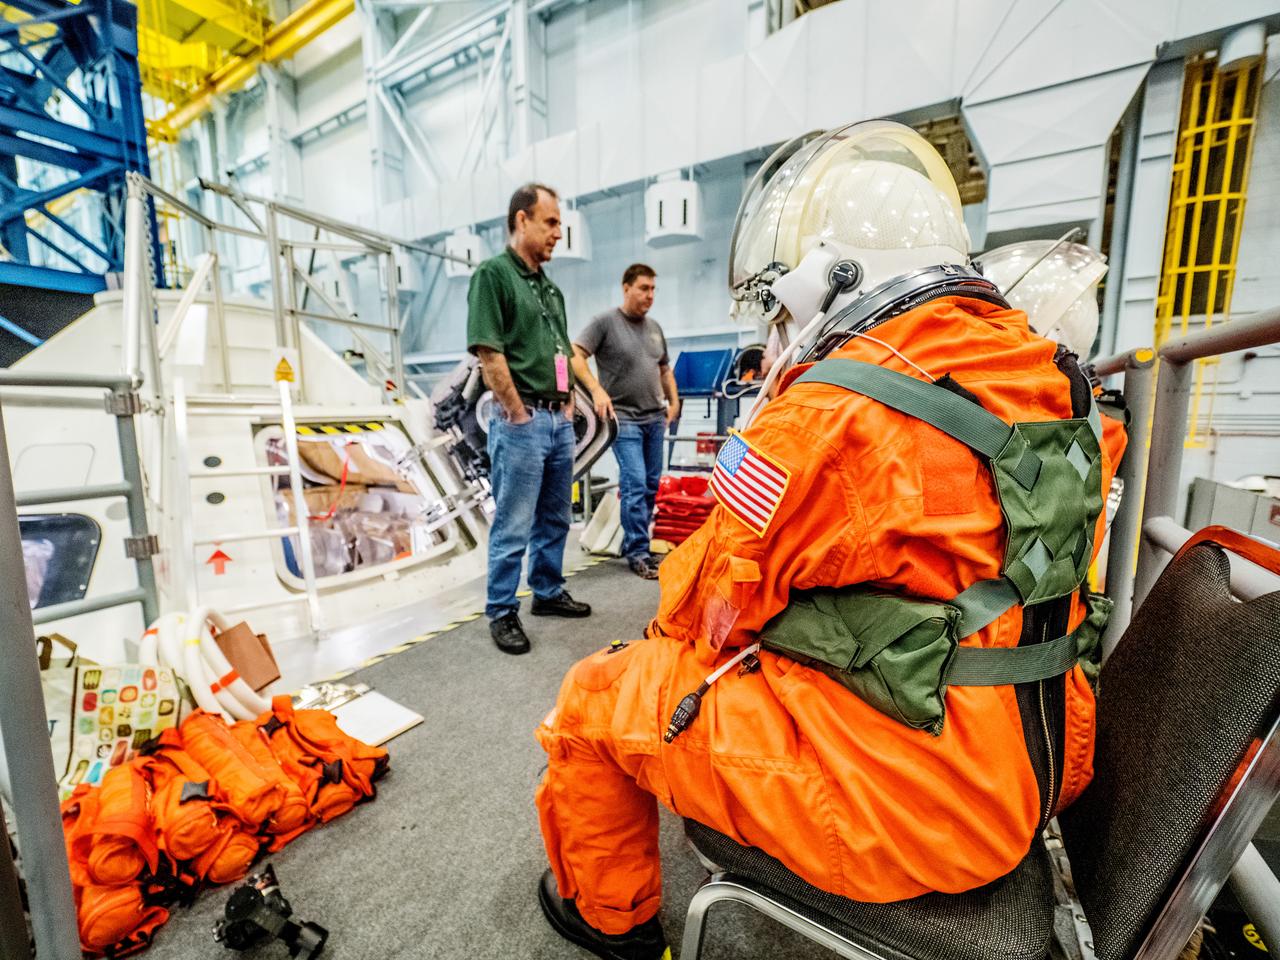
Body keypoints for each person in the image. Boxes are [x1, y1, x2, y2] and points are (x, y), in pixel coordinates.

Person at [532, 121, 1129, 960]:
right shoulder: (1059, 383)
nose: (781, 327)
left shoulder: (824, 413)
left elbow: (704, 607)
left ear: (829, 277)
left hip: (910, 812)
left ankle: (612, 921)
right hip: (1042, 766)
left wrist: (665, 658)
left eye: (782, 303)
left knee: (595, 699)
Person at [467, 182, 591, 656]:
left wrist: (568, 400)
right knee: (514, 523)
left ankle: (546, 590)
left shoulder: (550, 289)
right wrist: (518, 413)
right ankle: (501, 610)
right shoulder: (493, 276)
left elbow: (561, 350)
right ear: (522, 220)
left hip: (557, 420)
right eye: (551, 222)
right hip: (521, 423)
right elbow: (489, 353)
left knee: (556, 516)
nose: (558, 233)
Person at [571, 264, 681, 580]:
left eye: (653, 289)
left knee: (649, 485)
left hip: (654, 418)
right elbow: (575, 355)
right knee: (633, 483)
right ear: (626, 288)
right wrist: (596, 392)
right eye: (644, 288)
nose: (650, 295)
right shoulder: (604, 323)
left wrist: (673, 400)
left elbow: (664, 370)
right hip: (625, 419)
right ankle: (638, 552)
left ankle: (639, 545)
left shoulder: (654, 328)